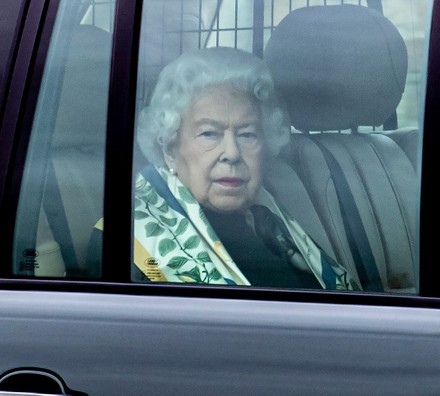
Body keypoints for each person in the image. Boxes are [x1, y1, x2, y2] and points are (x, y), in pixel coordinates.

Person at [96, 47, 359, 290]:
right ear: (170, 149)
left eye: (247, 135)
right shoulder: (123, 240)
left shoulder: (270, 224)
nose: (232, 154)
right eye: (209, 133)